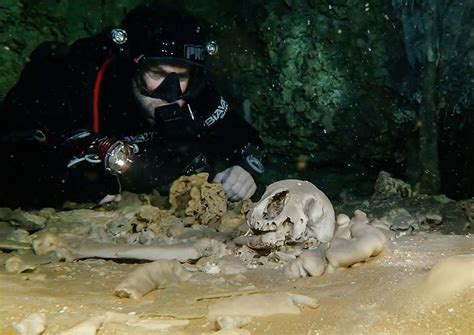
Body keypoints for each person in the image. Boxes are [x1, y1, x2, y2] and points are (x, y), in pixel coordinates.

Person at [0, 4, 265, 208]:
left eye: (181, 76)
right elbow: (13, 154)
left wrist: (245, 169)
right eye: (157, 73)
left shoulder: (196, 93)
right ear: (131, 65)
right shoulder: (78, 82)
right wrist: (65, 184)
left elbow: (247, 141)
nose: (170, 92)